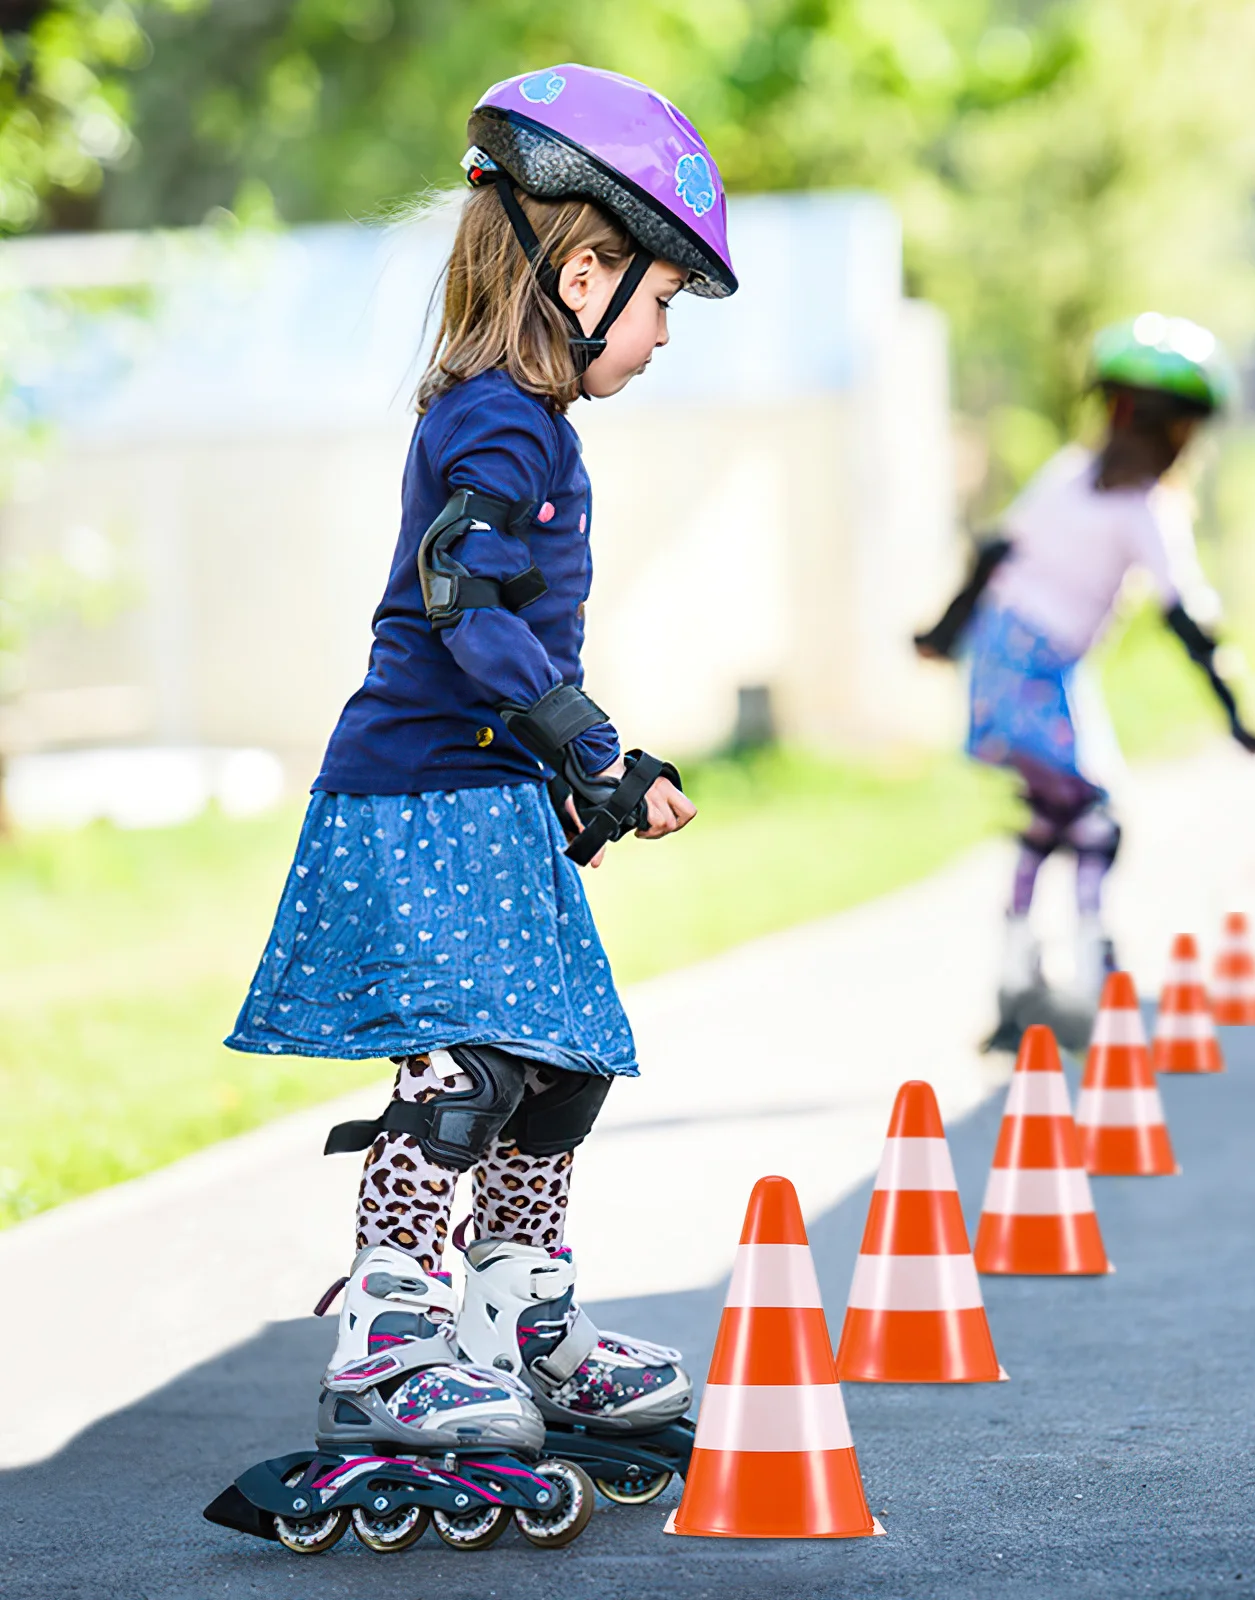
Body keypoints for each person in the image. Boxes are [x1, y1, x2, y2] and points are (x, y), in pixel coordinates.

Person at [226, 65, 736, 1442]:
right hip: (418, 793)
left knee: (559, 1066)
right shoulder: (501, 419)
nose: (663, 334)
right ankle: (389, 1341)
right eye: (663, 301)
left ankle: (517, 1319)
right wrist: (590, 745)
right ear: (583, 277)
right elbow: (460, 599)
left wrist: (580, 779)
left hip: (482, 790)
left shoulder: (527, 424)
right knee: (467, 1074)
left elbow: (511, 639)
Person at [916, 314, 1255, 1052]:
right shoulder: (1143, 507)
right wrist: (1234, 709)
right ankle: (1091, 977)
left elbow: (995, 553)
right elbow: (1187, 616)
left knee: (1052, 819)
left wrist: (945, 634)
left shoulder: (1073, 474)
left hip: (1006, 663)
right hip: (1032, 671)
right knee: (1096, 822)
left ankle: (1017, 981)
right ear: (1183, 433)